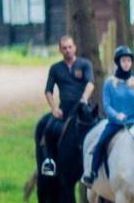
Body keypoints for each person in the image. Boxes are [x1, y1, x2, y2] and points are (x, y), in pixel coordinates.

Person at [82, 46, 134, 187]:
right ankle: (92, 173)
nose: (126, 63)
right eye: (123, 60)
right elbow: (107, 106)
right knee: (100, 143)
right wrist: (116, 115)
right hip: (116, 123)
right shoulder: (109, 83)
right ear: (118, 63)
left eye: (128, 61)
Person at [40, 36, 94, 176]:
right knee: (49, 129)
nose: (67, 50)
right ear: (60, 50)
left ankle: (98, 160)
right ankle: (49, 161)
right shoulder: (55, 68)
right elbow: (48, 91)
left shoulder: (85, 64)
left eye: (70, 47)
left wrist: (84, 98)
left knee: (97, 126)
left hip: (82, 108)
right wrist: (54, 108)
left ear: (74, 48)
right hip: (64, 109)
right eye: (64, 48)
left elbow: (90, 83)